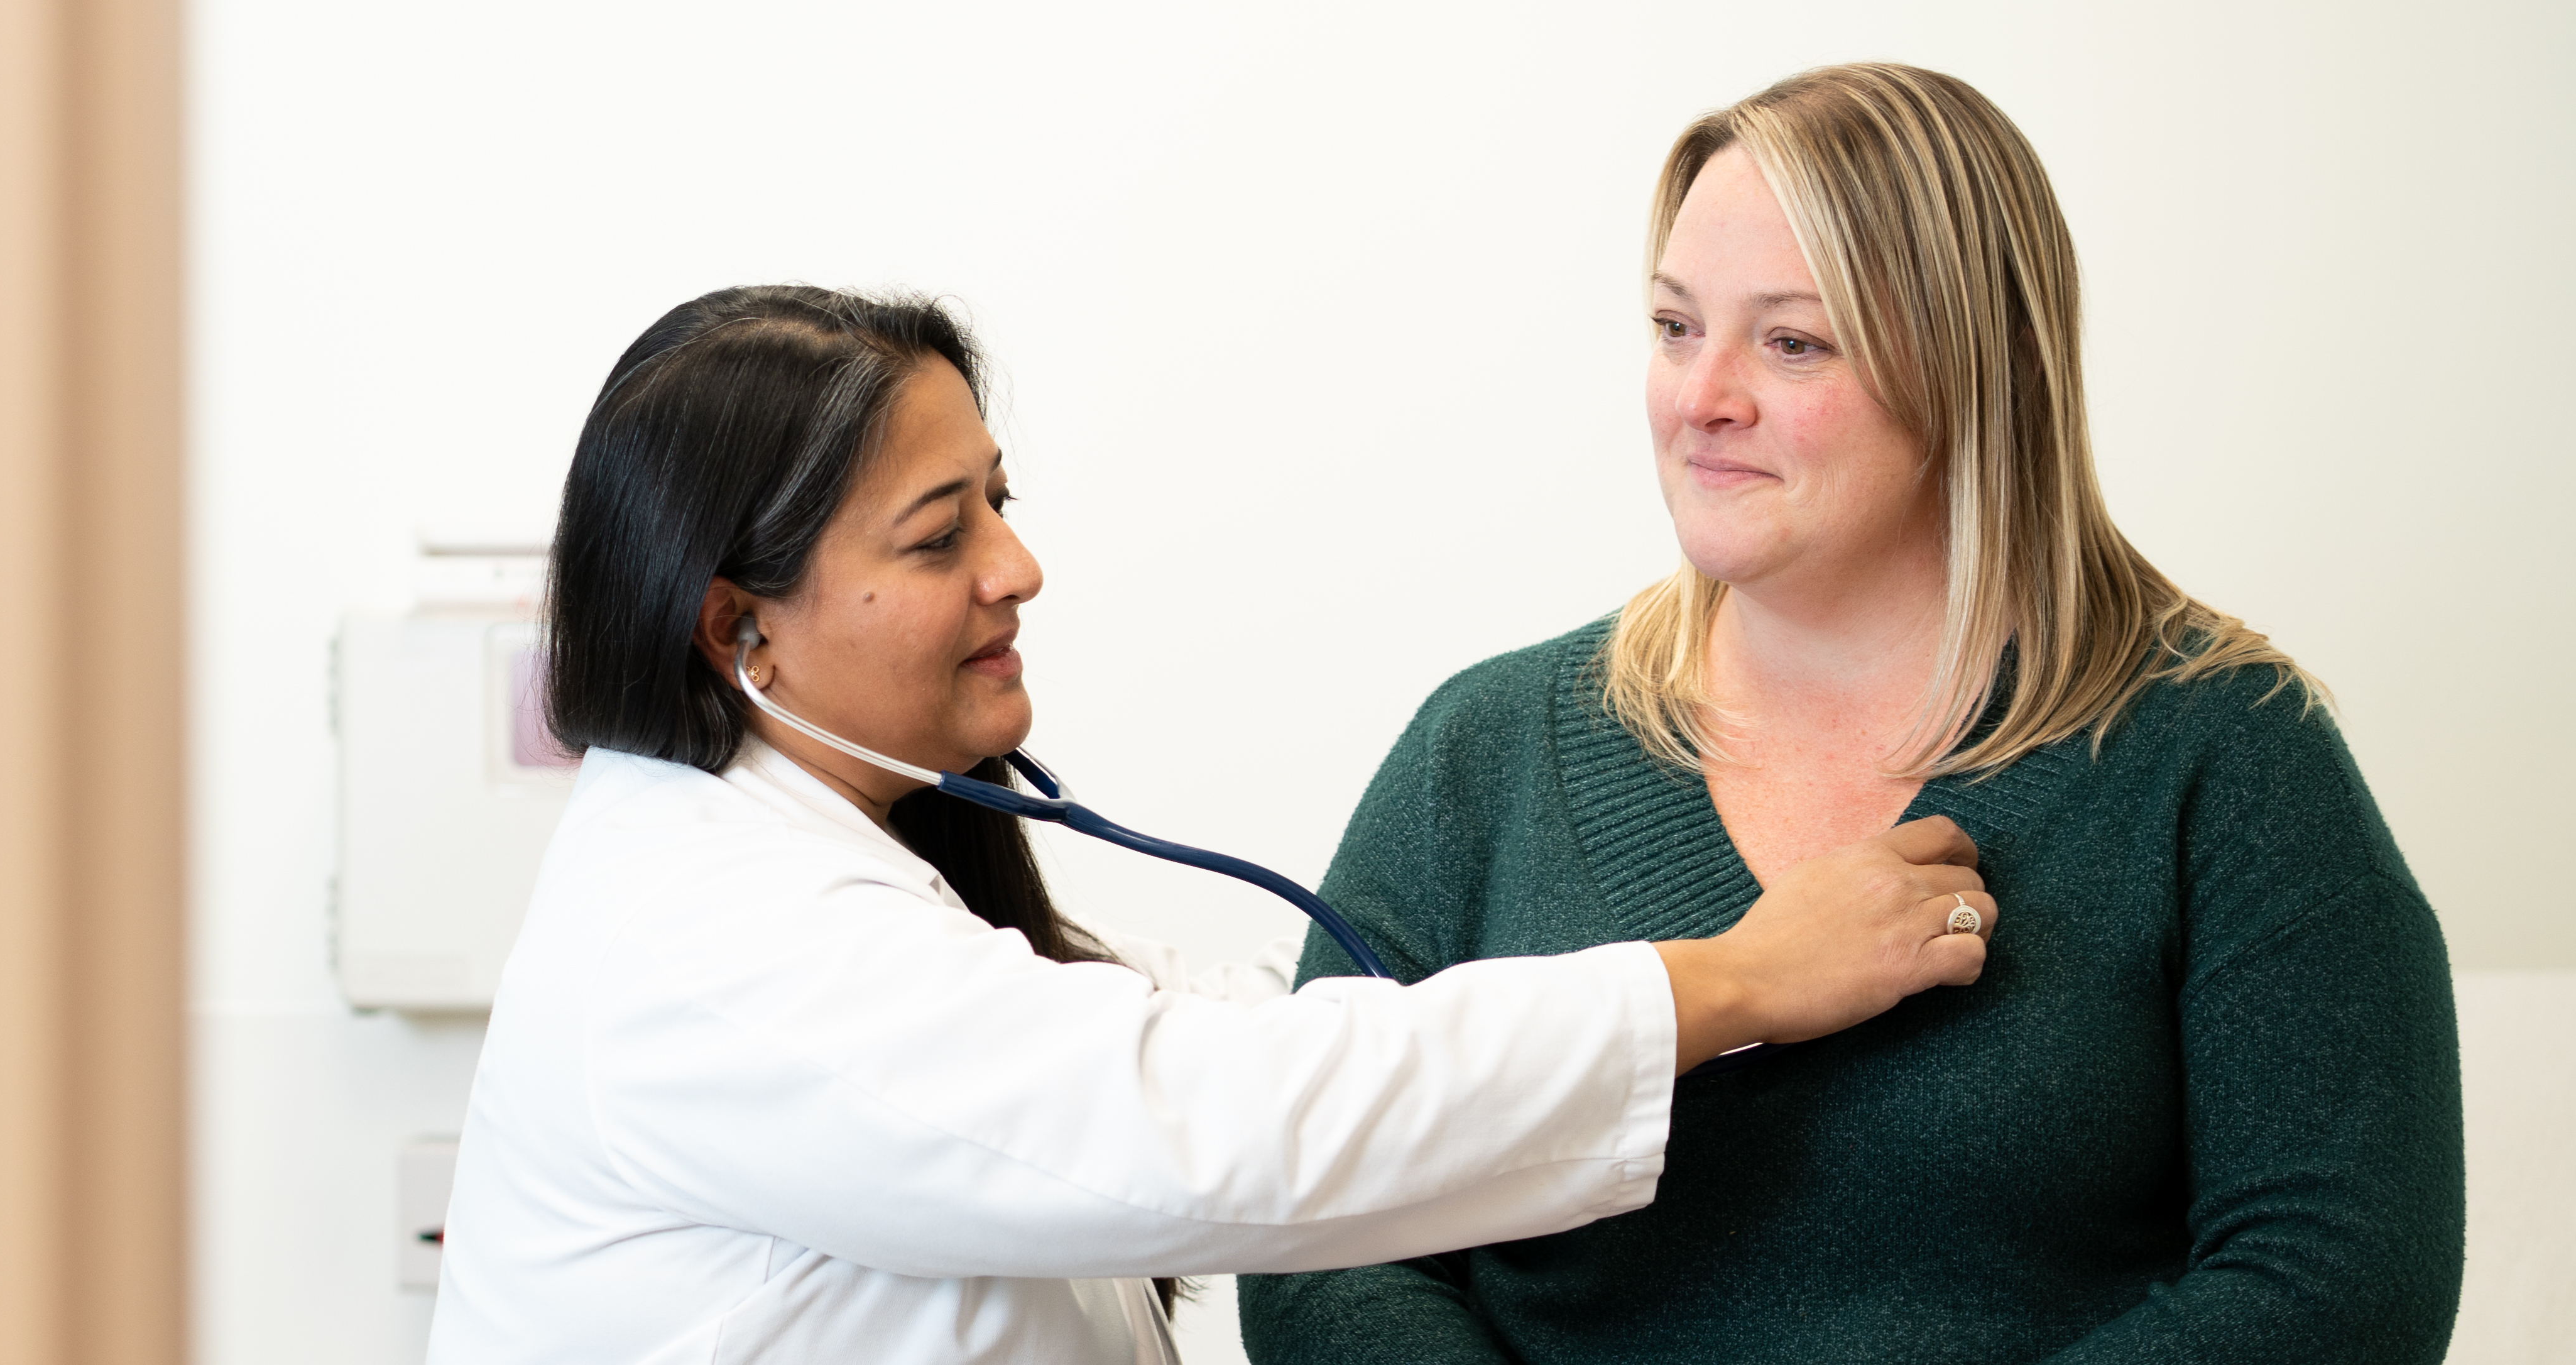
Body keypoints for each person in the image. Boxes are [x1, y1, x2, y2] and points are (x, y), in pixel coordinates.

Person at [426, 285, 2012, 1365]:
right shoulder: (714, 953)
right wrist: (1737, 980)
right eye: (937, 535)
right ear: (737, 630)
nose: (1016, 569)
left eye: (1001, 498)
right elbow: (1216, 1121)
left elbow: (1227, 1036)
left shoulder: (821, 873)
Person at [1238, 64, 2466, 1363]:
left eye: (1792, 341)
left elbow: (2339, 1281)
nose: (1701, 396)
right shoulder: (1480, 754)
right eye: (1673, 326)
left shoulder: (2229, 758)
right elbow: (1323, 1226)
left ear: (1973, 375)